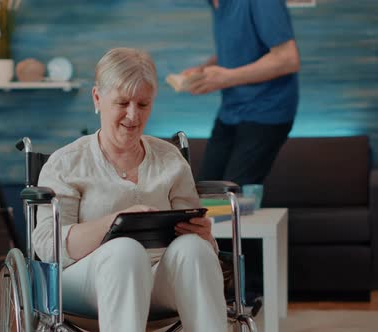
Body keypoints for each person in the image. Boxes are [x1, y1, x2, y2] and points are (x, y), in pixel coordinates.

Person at [32, 48, 227, 332]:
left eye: (143, 104)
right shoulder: (66, 163)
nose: (133, 116)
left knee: (195, 249)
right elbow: (48, 246)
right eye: (122, 103)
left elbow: (200, 242)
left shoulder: (170, 160)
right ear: (98, 98)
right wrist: (114, 223)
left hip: (159, 279)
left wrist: (205, 236)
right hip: (84, 280)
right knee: (124, 251)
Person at [183, 0, 300, 186]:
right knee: (205, 191)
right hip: (230, 110)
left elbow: (287, 59)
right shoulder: (214, 3)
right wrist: (203, 70)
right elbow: (239, 49)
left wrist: (227, 78)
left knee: (232, 196)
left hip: (267, 111)